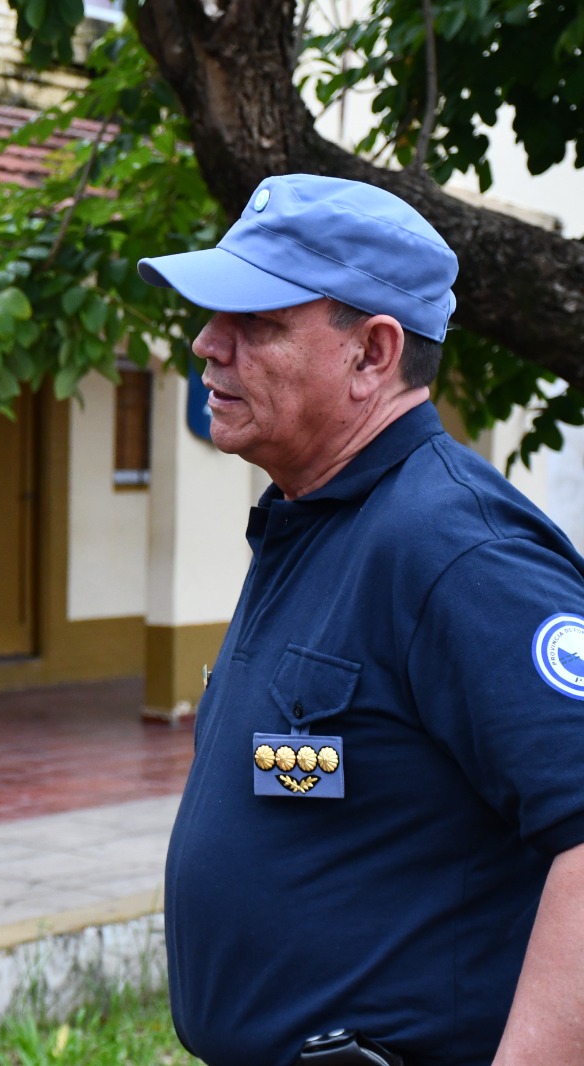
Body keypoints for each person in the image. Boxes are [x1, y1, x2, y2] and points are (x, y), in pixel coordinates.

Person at [137, 175, 584, 1066]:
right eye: (213, 316)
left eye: (254, 321)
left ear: (373, 354)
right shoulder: (315, 516)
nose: (206, 343)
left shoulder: (457, 549)